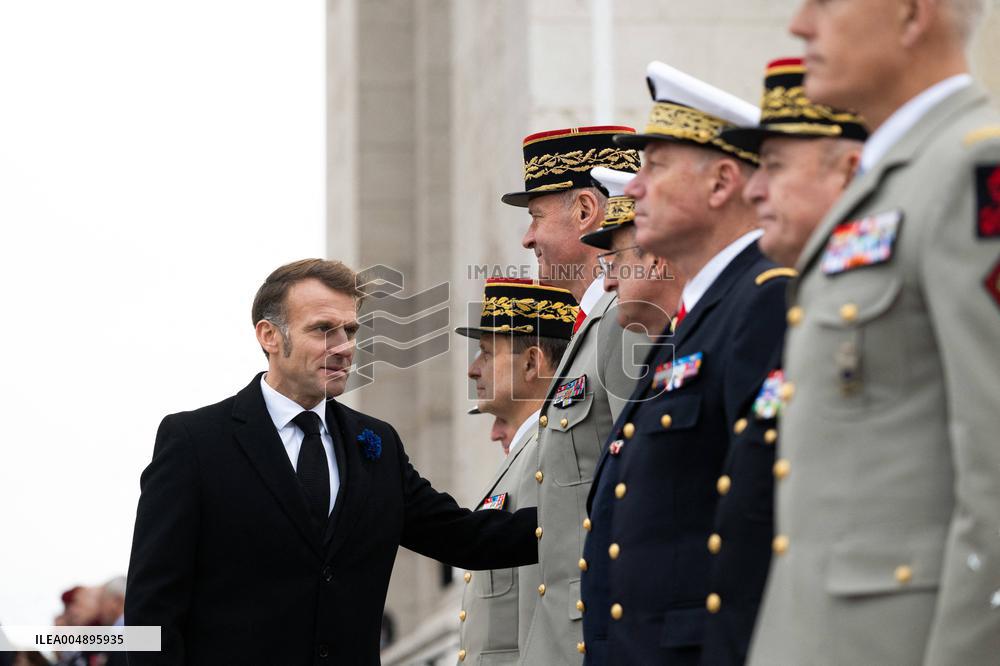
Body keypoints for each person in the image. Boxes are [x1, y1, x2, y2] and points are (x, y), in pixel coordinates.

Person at [125, 259, 539, 665]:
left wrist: (588, 512)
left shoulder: (377, 444)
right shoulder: (195, 442)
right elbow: (151, 609)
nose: (344, 347)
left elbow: (465, 537)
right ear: (269, 336)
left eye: (350, 330)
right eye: (324, 330)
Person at [750, 1, 1000, 664]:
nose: (801, 25)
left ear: (913, 15)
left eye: (825, 4)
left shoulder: (975, 167)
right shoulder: (891, 185)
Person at [578, 61, 791, 665]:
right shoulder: (701, 318)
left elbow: (763, 514)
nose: (635, 189)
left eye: (655, 167)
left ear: (722, 183)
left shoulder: (763, 299)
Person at [687, 57, 867, 666]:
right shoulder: (806, 303)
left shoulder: (773, 299)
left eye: (775, 166)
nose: (755, 188)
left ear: (849, 170)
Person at [504, 126, 649, 664]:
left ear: (586, 210)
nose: (527, 238)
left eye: (536, 216)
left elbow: (645, 481)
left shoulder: (625, 321)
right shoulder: (591, 328)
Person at [454, 279, 577, 664]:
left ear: (531, 363)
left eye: (487, 354)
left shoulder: (549, 454)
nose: (474, 370)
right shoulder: (523, 455)